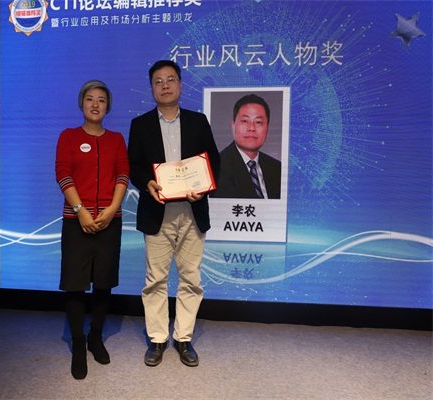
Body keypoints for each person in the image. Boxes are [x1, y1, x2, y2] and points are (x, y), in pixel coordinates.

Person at [127, 60, 220, 368]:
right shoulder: (140, 125)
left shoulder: (198, 121)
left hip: (193, 209)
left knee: (191, 277)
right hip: (157, 210)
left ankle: (183, 338)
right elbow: (133, 166)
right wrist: (147, 183)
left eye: (170, 79)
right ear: (151, 88)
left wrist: (202, 188)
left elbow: (213, 162)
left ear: (180, 84)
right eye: (158, 81)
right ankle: (157, 339)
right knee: (155, 279)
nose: (164, 85)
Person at [55, 80, 129, 380]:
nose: (95, 104)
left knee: (103, 283)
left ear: (108, 106)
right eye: (90, 99)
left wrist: (111, 210)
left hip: (110, 221)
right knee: (75, 285)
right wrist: (81, 211)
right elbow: (63, 173)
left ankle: (95, 337)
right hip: (76, 221)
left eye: (101, 99)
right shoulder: (69, 136)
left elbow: (123, 174)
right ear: (81, 104)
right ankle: (78, 341)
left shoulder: (116, 139)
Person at [211, 93, 281, 199]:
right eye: (245, 121)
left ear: (267, 127)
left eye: (258, 122)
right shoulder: (217, 168)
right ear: (233, 125)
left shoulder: (277, 168)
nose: (251, 128)